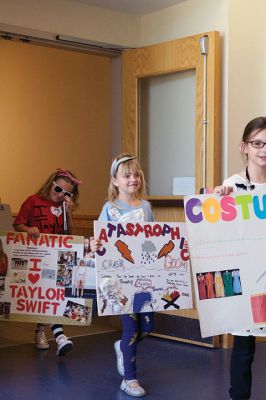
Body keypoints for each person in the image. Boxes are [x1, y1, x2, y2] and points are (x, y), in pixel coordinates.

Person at [91, 154, 155, 397]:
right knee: (130, 327)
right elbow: (99, 241)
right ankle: (129, 378)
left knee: (147, 327)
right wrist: (95, 244)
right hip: (119, 280)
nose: (133, 179)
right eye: (127, 175)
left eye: (136, 174)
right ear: (115, 181)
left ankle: (121, 348)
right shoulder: (110, 208)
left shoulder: (146, 207)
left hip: (145, 279)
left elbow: (155, 238)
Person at [214, 116, 266, 400]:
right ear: (244, 147)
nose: (263, 149)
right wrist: (218, 199)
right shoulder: (231, 185)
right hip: (245, 277)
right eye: (257, 143)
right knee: (244, 347)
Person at [13, 168, 82, 356]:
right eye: (58, 190)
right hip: (36, 254)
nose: (60, 195)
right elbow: (17, 224)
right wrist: (29, 229)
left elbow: (70, 235)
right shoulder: (33, 201)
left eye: (66, 193)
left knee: (51, 294)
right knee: (45, 292)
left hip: (57, 255)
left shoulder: (64, 208)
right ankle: (59, 335)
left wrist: (68, 212)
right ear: (51, 184)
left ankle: (41, 331)